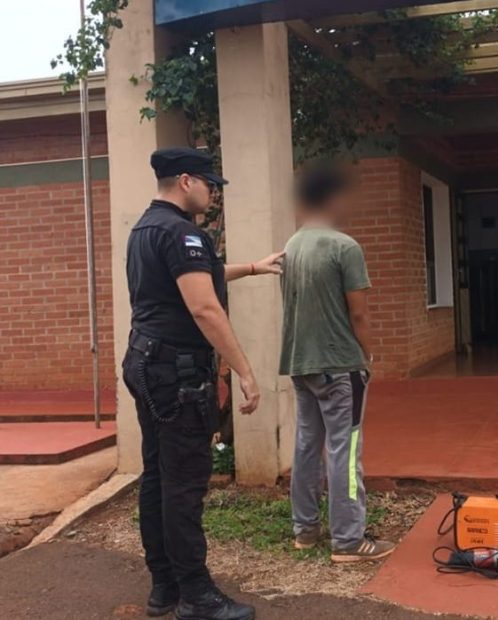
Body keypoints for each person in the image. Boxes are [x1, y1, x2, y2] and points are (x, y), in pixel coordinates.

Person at [123, 147, 283, 620]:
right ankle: (196, 595)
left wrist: (252, 267)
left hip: (146, 363)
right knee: (184, 483)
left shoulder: (146, 228)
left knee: (157, 475)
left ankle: (164, 587)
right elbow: (204, 307)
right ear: (186, 181)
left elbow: (195, 276)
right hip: (176, 374)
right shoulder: (182, 233)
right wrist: (245, 371)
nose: (214, 193)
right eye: (210, 184)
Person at [280, 161, 395, 563]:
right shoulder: (345, 247)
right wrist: (367, 357)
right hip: (339, 364)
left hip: (301, 362)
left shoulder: (292, 245)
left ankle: (305, 530)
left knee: (307, 445)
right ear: (333, 198)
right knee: (345, 450)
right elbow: (358, 314)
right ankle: (348, 540)